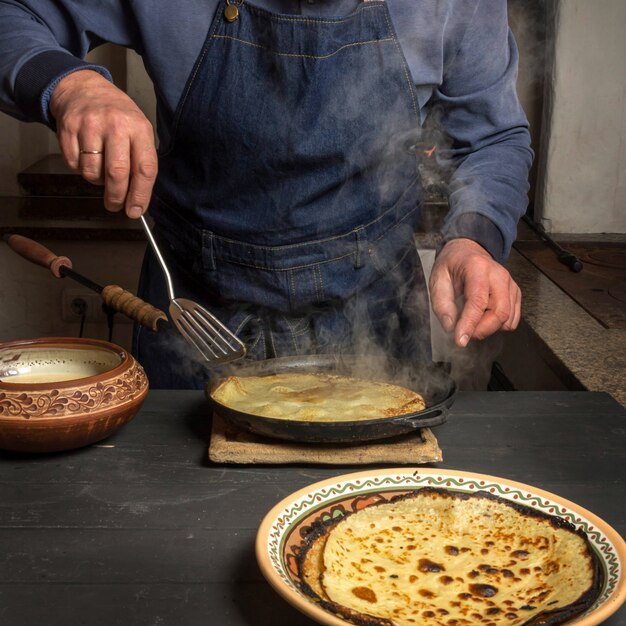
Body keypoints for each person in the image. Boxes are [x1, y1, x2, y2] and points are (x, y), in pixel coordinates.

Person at [0, 0, 532, 389]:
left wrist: (475, 240)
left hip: (378, 312)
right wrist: (73, 86)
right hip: (199, 313)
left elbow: (493, 136)